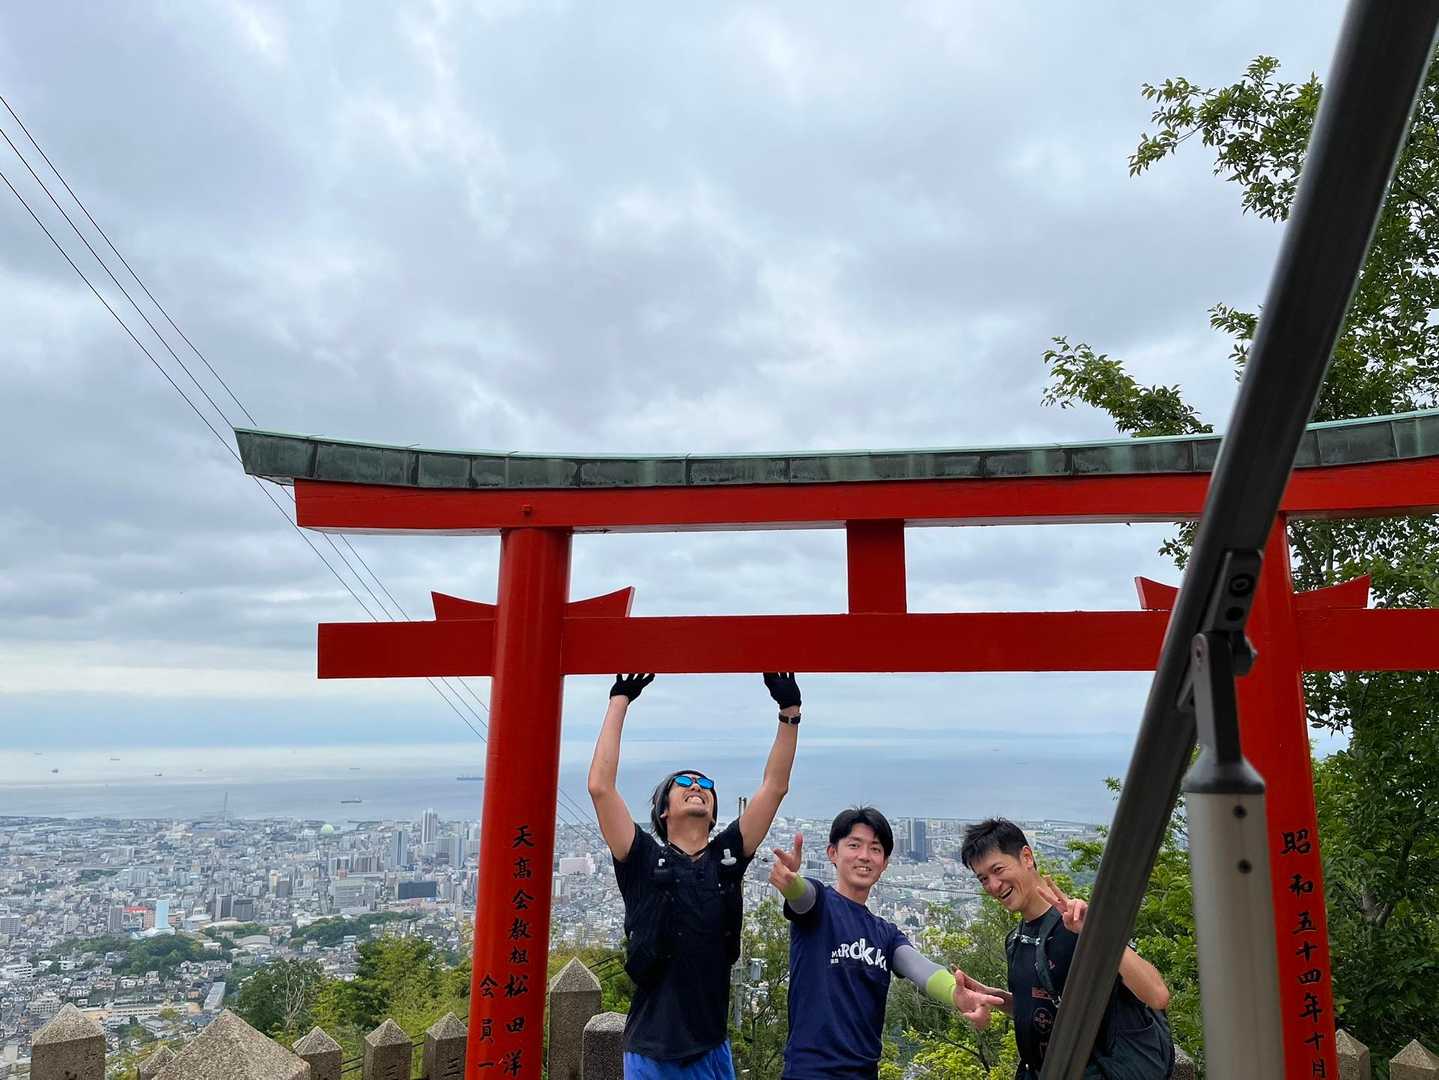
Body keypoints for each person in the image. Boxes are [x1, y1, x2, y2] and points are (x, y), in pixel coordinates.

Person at [588, 672, 805, 1080]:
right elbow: (601, 787)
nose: (697, 785)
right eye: (684, 782)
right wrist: (620, 699)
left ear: (714, 811)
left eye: (705, 784)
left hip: (712, 1049)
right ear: (663, 810)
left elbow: (774, 787)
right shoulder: (641, 858)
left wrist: (789, 712)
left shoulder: (728, 855)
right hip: (651, 1053)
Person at [769, 807, 1004, 1079]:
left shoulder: (886, 934)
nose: (864, 856)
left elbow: (922, 969)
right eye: (854, 845)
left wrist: (956, 993)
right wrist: (790, 882)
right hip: (810, 1072)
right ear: (832, 853)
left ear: (885, 862)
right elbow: (802, 895)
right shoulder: (819, 906)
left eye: (875, 849)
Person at [957, 818, 1173, 1080]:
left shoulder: (1077, 926)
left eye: (998, 869)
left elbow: (1157, 995)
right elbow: (1048, 1010)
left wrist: (1097, 932)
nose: (993, 885)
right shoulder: (1017, 940)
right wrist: (994, 997)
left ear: (1026, 857)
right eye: (983, 879)